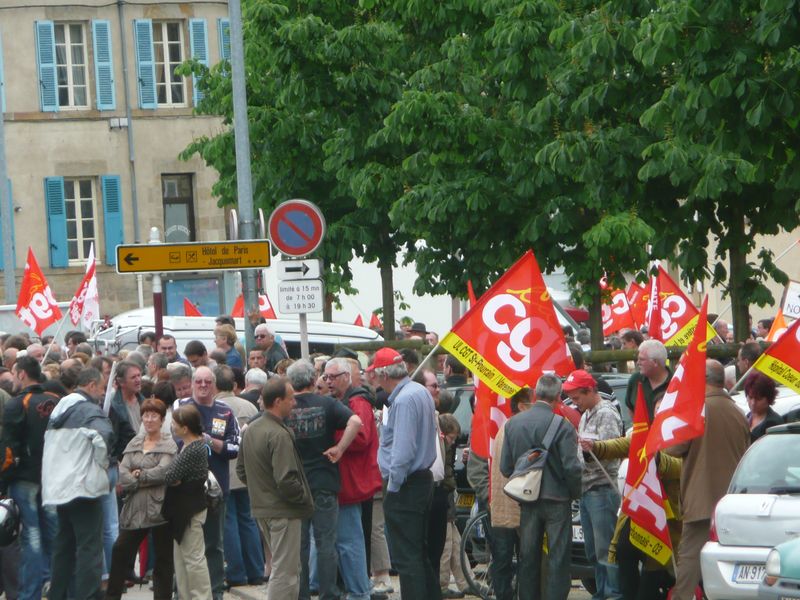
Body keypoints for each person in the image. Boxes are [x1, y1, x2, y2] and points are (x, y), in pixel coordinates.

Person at [665, 360, 749, 600]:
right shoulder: (738, 411)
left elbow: (673, 448)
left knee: (690, 558)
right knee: (729, 558)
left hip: (701, 498)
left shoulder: (696, 410)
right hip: (732, 501)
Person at [285, 360, 363, 600]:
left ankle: (302, 594)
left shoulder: (285, 407)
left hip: (294, 485)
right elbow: (356, 422)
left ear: (290, 382)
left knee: (299, 546)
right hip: (324, 482)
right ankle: (328, 593)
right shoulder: (328, 404)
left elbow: (250, 427)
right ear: (313, 379)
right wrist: (339, 448)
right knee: (326, 542)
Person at [500, 374, 582, 600]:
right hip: (557, 499)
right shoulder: (562, 426)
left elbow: (506, 468)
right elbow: (571, 468)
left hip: (527, 500)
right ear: (558, 396)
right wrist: (576, 493)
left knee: (528, 557)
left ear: (535, 394)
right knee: (558, 557)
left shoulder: (513, 423)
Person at [373, 347, 441, 600]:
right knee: (418, 553)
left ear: (383, 374)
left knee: (407, 557)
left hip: (406, 485)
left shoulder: (402, 400)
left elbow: (402, 451)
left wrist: (393, 486)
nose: (373, 379)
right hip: (421, 480)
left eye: (374, 374)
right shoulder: (419, 392)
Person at [237, 377, 314, 599]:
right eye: (291, 399)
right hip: (283, 510)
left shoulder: (252, 429)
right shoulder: (278, 434)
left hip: (264, 508)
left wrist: (261, 491)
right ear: (278, 401)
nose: (295, 403)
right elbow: (286, 479)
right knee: (286, 571)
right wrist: (303, 499)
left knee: (285, 568)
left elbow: (243, 471)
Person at [41, 367, 113, 600]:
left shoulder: (58, 411)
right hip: (83, 487)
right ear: (91, 385)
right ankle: (89, 596)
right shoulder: (89, 410)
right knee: (89, 548)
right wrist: (102, 464)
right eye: (101, 389)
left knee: (64, 548)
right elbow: (104, 436)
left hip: (59, 488)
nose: (103, 394)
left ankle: (57, 595)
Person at [0, 356, 60, 600]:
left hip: (25, 478)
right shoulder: (57, 401)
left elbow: (8, 449)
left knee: (32, 537)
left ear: (22, 374)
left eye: (15, 374)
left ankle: (31, 594)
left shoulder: (17, 403)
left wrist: (4, 481)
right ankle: (57, 587)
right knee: (54, 534)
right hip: (53, 478)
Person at [106, 398, 177, 600]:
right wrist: (139, 477)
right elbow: (123, 471)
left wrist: (138, 475)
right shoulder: (135, 442)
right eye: (146, 415)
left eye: (154, 415)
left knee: (163, 559)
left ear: (162, 419)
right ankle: (112, 596)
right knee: (120, 551)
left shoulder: (168, 443)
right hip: (135, 506)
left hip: (160, 507)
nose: (149, 419)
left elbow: (163, 472)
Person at [178, 366, 240, 600]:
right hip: (186, 490)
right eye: (199, 381)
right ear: (193, 383)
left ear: (214, 385)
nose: (203, 386)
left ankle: (215, 593)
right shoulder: (181, 408)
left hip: (216, 491)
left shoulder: (225, 412)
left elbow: (234, 448)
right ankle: (183, 591)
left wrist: (210, 441)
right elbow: (175, 442)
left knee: (214, 545)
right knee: (185, 545)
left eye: (207, 382)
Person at [323, 358, 382, 600]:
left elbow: (361, 437)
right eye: (325, 377)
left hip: (352, 481)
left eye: (332, 377)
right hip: (347, 480)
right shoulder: (345, 401)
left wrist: (330, 434)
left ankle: (359, 592)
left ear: (347, 376)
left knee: (351, 541)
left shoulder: (357, 402)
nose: (328, 382)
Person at [564, 369, 623, 600]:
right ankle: (602, 591)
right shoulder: (587, 413)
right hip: (587, 489)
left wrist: (589, 455)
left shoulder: (605, 414)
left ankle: (613, 593)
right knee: (592, 550)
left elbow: (609, 452)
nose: (575, 403)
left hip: (601, 488)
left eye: (577, 397)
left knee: (604, 549)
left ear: (590, 391)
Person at [214, 366, 264, 587]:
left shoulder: (217, 410)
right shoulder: (249, 406)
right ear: (234, 385)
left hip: (226, 472)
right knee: (249, 521)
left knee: (229, 523)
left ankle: (236, 572)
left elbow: (217, 444)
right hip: (248, 472)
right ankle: (255, 570)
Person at [162, 404, 212, 600]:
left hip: (190, 510)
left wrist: (175, 478)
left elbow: (170, 475)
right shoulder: (190, 445)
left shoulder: (193, 449)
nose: (172, 426)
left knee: (193, 559)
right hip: (182, 510)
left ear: (185, 428)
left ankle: (201, 597)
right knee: (182, 560)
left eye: (175, 423)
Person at [488, 388, 532, 600]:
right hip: (516, 504)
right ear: (522, 406)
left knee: (502, 561)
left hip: (501, 506)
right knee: (523, 560)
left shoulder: (504, 427)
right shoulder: (518, 428)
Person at [624, 339, 672, 422]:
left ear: (655, 362)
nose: (638, 363)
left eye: (642, 359)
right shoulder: (635, 380)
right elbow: (630, 407)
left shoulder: (675, 383)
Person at [743, 371, 782, 442]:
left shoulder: (774, 423)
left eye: (758, 399)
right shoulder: (748, 417)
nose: (753, 403)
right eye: (750, 397)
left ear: (769, 398)